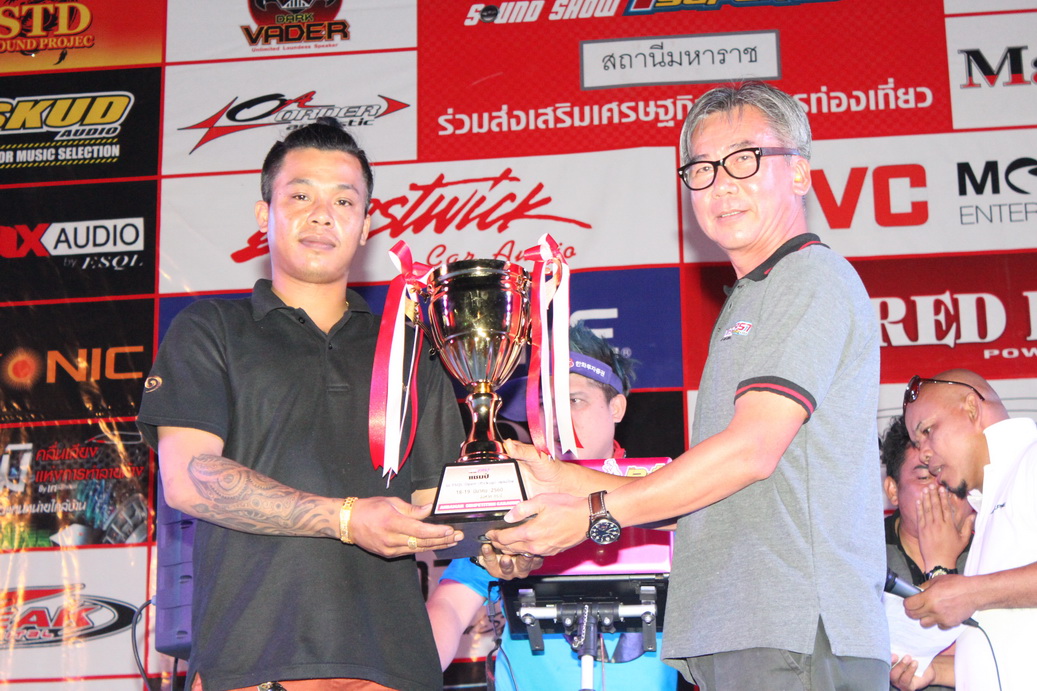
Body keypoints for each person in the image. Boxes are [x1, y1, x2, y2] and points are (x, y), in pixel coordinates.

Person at [486, 81, 890, 690]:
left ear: (800, 173)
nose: (721, 184)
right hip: (752, 636)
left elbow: (750, 452)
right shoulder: (752, 297)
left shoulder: (807, 278)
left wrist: (593, 515)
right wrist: (562, 479)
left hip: (797, 633)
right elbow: (706, 499)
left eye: (744, 159)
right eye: (702, 169)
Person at [136, 118, 533, 691]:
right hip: (254, 665)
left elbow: (438, 507)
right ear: (263, 214)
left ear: (366, 225)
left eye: (344, 201)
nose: (322, 215)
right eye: (300, 196)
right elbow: (189, 479)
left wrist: (502, 541)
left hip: (391, 670)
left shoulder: (410, 348)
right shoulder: (211, 328)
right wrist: (345, 519)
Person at [426, 324, 678, 690]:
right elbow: (450, 605)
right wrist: (407, 669)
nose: (558, 419)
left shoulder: (669, 496)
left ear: (616, 407)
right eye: (544, 404)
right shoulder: (511, 500)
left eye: (574, 400)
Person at [894, 369, 1037, 690]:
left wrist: (971, 593)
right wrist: (936, 671)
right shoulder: (990, 501)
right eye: (916, 443)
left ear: (972, 408)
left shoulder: (1033, 460)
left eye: (927, 430)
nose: (924, 453)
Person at [880, 415, 973, 691]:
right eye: (924, 477)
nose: (940, 489)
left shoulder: (998, 551)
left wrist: (937, 669)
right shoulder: (863, 556)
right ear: (893, 490)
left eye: (947, 473)